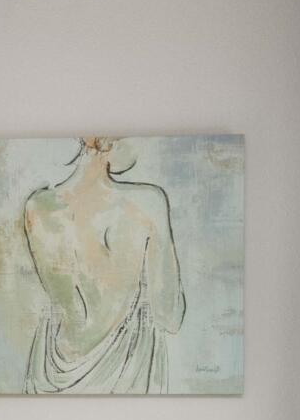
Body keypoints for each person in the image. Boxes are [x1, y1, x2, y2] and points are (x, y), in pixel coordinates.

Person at [16, 138, 185, 394]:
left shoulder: (37, 206)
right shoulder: (148, 202)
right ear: (109, 142)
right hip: (124, 376)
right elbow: (169, 316)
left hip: (51, 373)